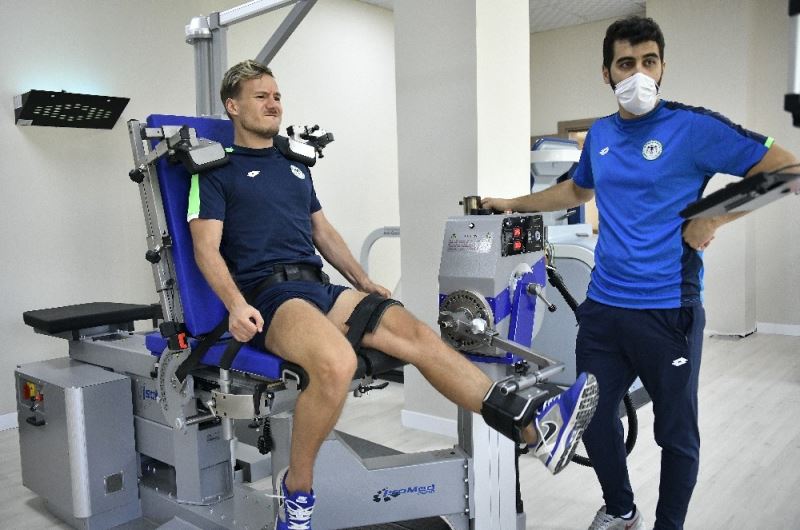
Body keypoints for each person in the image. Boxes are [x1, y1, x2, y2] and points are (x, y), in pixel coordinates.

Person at [188, 59, 599, 530]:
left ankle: (533, 428)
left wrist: (362, 280)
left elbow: (323, 233)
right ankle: (297, 494)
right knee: (337, 362)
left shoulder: (294, 166)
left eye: (277, 96)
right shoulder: (215, 171)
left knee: (418, 335)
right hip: (270, 296)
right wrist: (236, 305)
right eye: (261, 96)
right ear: (233, 106)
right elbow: (206, 249)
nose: (273, 104)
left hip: (317, 287)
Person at [483, 15, 799, 530]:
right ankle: (621, 508)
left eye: (648, 62)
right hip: (603, 311)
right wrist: (514, 204)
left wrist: (714, 216)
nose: (638, 74)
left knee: (675, 434)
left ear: (662, 67)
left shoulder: (692, 128)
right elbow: (576, 189)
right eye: (625, 63)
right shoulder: (601, 134)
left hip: (667, 311)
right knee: (591, 415)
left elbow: (789, 169)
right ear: (607, 73)